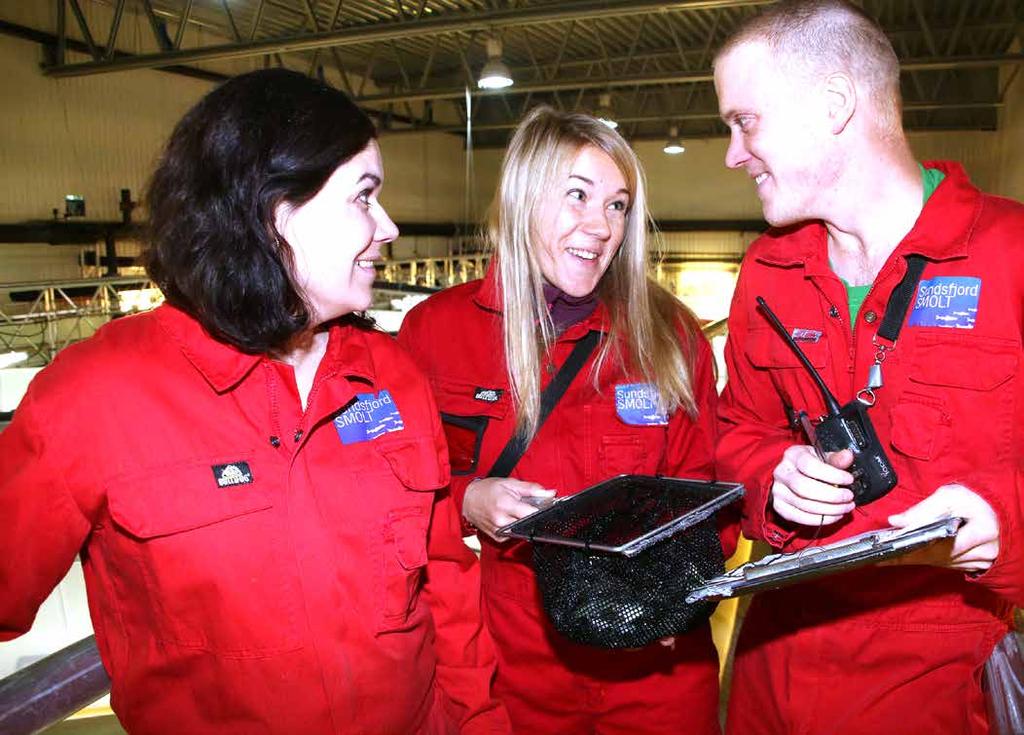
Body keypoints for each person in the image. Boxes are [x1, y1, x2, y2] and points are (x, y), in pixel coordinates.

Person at [0, 69, 510, 735]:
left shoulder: (391, 378)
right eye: (363, 197)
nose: (387, 226)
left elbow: (445, 583)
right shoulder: (94, 396)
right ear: (274, 209)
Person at [713, 1, 1024, 733]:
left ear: (833, 105)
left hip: (935, 689)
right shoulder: (768, 269)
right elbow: (735, 430)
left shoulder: (1010, 257)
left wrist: (1004, 523)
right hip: (770, 673)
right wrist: (772, 473)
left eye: (744, 121)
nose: (732, 153)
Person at [398, 106, 727, 734]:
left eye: (617, 205)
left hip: (654, 662)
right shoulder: (436, 332)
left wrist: (678, 591)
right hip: (513, 662)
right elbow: (393, 497)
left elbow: (708, 493)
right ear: (524, 199)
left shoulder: (668, 335)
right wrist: (468, 500)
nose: (600, 226)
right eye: (577, 195)